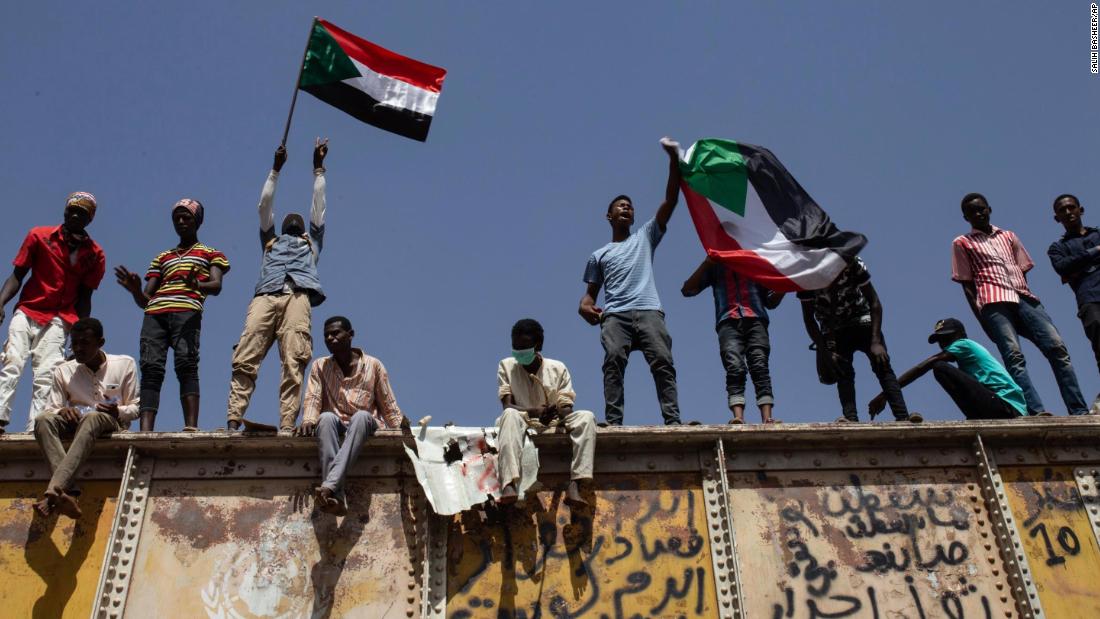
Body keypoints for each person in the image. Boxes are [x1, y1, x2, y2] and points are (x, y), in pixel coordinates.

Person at [226, 139, 329, 432]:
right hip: (266, 296)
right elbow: (264, 206)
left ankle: (286, 423)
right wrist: (275, 170)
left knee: (294, 361)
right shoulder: (270, 242)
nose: (296, 222)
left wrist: (318, 170)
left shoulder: (312, 243)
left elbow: (318, 207)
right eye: (289, 222)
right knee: (247, 354)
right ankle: (234, 418)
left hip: (298, 297)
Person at [579, 137, 683, 426]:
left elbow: (671, 200)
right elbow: (589, 296)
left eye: (631, 206)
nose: (627, 208)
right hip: (615, 316)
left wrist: (674, 160)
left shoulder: (645, 237)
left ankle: (673, 421)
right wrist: (585, 307)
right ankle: (613, 422)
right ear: (609, 215)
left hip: (649, 310)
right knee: (613, 363)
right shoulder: (598, 255)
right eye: (621, 206)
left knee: (663, 363)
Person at [952, 192, 1086, 415]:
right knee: (1014, 357)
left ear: (989, 209)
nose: (978, 213)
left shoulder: (1009, 236)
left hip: (1024, 298)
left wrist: (1025, 296)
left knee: (1057, 348)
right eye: (972, 211)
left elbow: (1021, 268)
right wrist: (982, 317)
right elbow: (967, 284)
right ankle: (1035, 411)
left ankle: (1078, 409)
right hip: (993, 301)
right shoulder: (962, 242)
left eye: (981, 209)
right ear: (966, 217)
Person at [115, 198, 229, 431]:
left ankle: (190, 427)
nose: (180, 221)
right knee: (151, 369)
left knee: (186, 364)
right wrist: (135, 289)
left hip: (186, 311)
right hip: (155, 314)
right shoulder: (162, 257)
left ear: (197, 221)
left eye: (186, 217)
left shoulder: (210, 254)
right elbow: (146, 300)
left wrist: (196, 284)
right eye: (176, 218)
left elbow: (216, 286)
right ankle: (145, 430)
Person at [0, 192, 105, 433]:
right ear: (65, 212)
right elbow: (17, 275)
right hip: (28, 310)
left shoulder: (94, 255)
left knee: (47, 374)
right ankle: (0, 417)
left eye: (83, 213)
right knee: (12, 361)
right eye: (73, 211)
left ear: (89, 219)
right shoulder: (39, 236)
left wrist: (80, 331)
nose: (76, 215)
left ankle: (36, 427)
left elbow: (85, 296)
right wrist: (1, 302)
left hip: (60, 318)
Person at [296, 316, 410, 516]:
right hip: (337, 424)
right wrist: (308, 420)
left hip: (365, 425)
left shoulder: (373, 365)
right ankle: (335, 496)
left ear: (351, 335)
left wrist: (401, 430)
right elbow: (313, 398)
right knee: (325, 418)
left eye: (335, 333)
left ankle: (329, 485)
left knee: (361, 416)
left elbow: (388, 404)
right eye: (326, 336)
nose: (330, 338)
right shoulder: (320, 366)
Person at [32, 318, 139, 519]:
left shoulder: (125, 364)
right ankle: (68, 492)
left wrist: (117, 411)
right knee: (42, 420)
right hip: (76, 424)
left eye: (85, 343)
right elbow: (51, 408)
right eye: (75, 343)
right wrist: (62, 411)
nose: (79, 348)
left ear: (100, 343)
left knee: (92, 417)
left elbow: (136, 408)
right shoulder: (64, 370)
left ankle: (52, 495)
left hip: (109, 422)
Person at [798, 257, 918, 423]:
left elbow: (875, 302)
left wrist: (876, 342)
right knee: (843, 372)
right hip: (834, 330)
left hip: (862, 319)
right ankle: (850, 419)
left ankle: (903, 416)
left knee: (882, 364)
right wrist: (825, 352)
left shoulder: (852, 262)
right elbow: (809, 320)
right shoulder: (805, 274)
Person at [496, 318, 596, 507]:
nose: (519, 353)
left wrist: (555, 412)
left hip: (553, 421)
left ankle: (575, 483)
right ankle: (508, 483)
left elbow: (567, 408)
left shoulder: (558, 368)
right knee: (508, 415)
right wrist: (534, 412)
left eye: (524, 348)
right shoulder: (506, 366)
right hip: (522, 420)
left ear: (538, 345)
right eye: (515, 348)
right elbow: (508, 405)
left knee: (586, 417)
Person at [681, 258, 784, 424]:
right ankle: (738, 418)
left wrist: (784, 287)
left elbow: (770, 302)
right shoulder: (715, 264)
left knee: (759, 365)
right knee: (734, 367)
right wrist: (707, 263)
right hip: (728, 321)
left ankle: (767, 418)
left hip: (755, 318)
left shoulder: (754, 262)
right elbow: (688, 289)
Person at [871, 318, 1025, 421]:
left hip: (1006, 406)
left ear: (961, 335)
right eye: (940, 340)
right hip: (1002, 406)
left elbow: (922, 367)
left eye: (947, 338)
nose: (943, 344)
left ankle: (975, 418)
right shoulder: (967, 360)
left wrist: (886, 394)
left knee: (939, 367)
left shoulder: (964, 344)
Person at [1047, 193, 1100, 414]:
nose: (1068, 212)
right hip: (1089, 298)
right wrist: (1095, 252)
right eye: (1062, 210)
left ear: (1081, 209)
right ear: (1056, 217)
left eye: (1071, 208)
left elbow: (1071, 267)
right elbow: (1063, 267)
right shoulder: (1057, 248)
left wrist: (1080, 265)